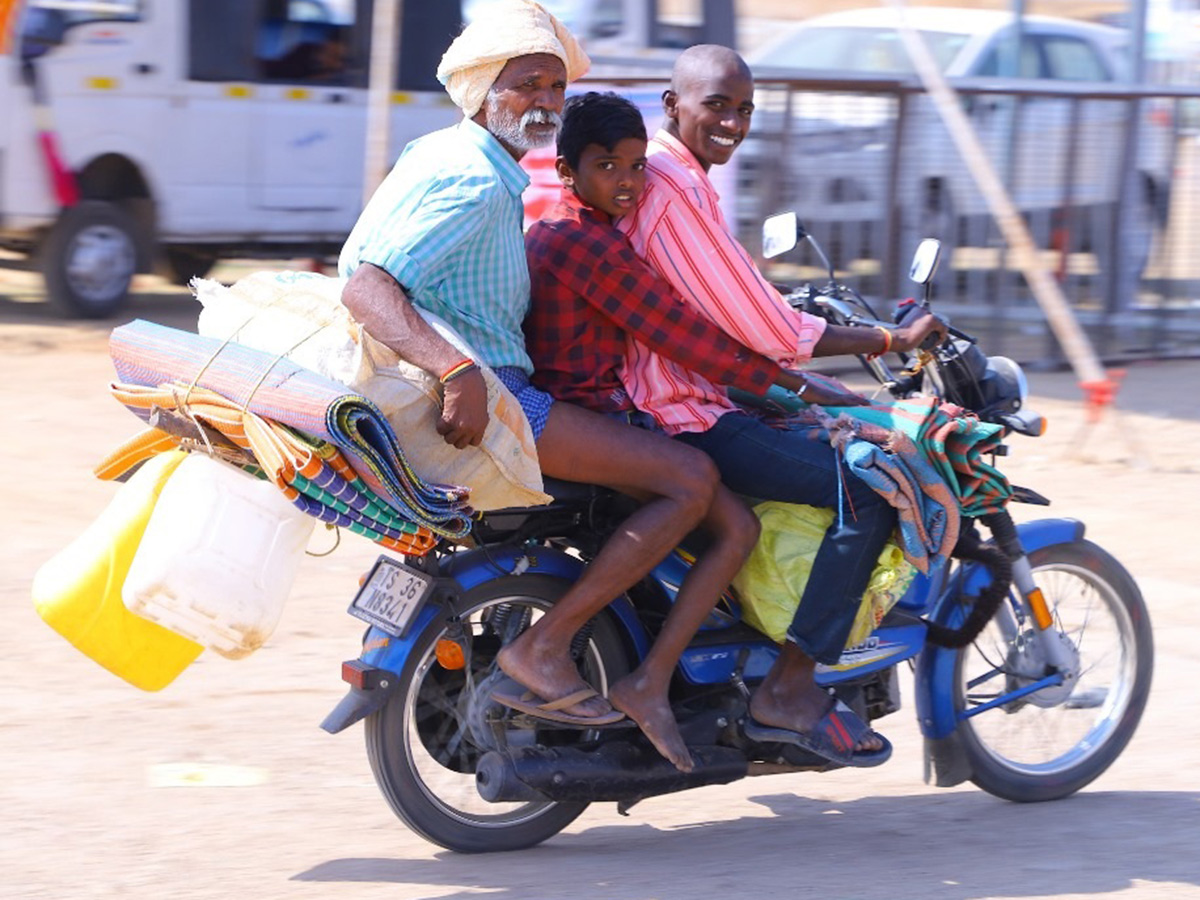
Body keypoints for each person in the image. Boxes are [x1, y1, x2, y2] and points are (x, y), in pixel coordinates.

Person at [336, 1, 758, 773]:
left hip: (489, 386)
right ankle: (546, 648)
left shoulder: (454, 154)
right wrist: (456, 369)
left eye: (554, 88)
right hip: (500, 399)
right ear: (483, 90)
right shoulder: (474, 180)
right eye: (527, 84)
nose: (545, 102)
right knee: (690, 478)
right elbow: (365, 286)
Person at [606, 45, 947, 766]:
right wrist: (890, 334)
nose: (732, 121)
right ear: (673, 107)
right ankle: (791, 687)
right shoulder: (670, 185)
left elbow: (729, 299)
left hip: (690, 391)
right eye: (716, 105)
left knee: (823, 424)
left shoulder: (679, 180)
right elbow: (771, 329)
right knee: (871, 486)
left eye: (743, 109)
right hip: (685, 410)